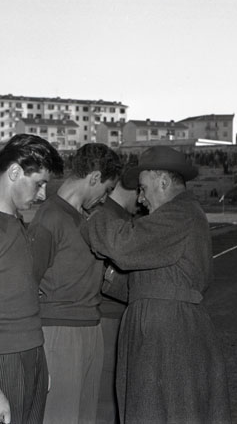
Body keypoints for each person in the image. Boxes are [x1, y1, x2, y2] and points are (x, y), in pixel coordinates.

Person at [81, 146, 231, 424]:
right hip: (164, 326)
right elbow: (144, 281)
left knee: (163, 410)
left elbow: (123, 246)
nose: (140, 199)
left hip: (168, 330)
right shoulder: (179, 215)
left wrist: (95, 215)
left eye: (143, 188)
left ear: (163, 182)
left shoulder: (179, 213)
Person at [0, 134, 64, 424]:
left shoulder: (16, 223)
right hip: (0, 359)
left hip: (31, 355)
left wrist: (39, 363)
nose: (42, 195)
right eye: (39, 183)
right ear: (15, 172)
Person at [28, 143, 122, 424]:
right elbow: (27, 284)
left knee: (85, 417)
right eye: (106, 190)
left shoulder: (84, 218)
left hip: (90, 328)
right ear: (94, 177)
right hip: (60, 331)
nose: (105, 199)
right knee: (60, 417)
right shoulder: (49, 218)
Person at [96, 175, 141, 424]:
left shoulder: (117, 216)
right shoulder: (110, 217)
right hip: (109, 317)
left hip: (117, 315)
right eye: (141, 191)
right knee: (107, 397)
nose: (142, 200)